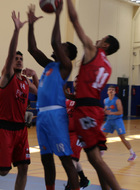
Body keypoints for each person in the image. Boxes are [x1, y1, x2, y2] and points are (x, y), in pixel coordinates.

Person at [66, 0, 121, 189]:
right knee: (93, 156)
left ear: (105, 44)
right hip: (93, 107)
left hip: (87, 110)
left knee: (95, 158)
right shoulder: (108, 65)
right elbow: (90, 89)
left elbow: (74, 20)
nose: (97, 39)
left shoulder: (92, 50)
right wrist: (74, 97)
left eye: (101, 38)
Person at [28, 3, 79, 190]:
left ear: (67, 54)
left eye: (63, 46)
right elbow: (32, 49)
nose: (59, 46)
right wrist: (31, 25)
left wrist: (58, 15)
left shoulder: (66, 67)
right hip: (41, 116)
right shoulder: (49, 65)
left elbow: (54, 43)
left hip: (56, 116)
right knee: (46, 160)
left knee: (65, 160)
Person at [0, 11, 38, 190]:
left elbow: (40, 93)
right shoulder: (7, 76)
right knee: (4, 170)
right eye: (16, 58)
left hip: (20, 128)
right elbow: (10, 55)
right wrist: (16, 31)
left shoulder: (25, 81)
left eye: (21, 59)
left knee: (24, 167)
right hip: (4, 127)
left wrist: (36, 75)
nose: (19, 60)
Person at [64, 76, 90, 190]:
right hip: (67, 134)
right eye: (75, 81)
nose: (77, 82)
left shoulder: (84, 98)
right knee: (73, 158)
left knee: (71, 160)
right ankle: (83, 179)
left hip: (78, 133)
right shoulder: (68, 101)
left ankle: (70, 185)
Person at [102, 85, 137, 161]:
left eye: (112, 90)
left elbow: (121, 112)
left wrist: (111, 113)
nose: (111, 91)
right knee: (102, 135)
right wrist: (104, 111)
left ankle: (132, 153)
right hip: (109, 120)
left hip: (117, 120)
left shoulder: (117, 101)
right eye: (109, 89)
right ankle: (102, 150)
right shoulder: (105, 100)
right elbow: (105, 109)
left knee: (122, 138)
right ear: (107, 91)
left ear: (115, 92)